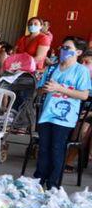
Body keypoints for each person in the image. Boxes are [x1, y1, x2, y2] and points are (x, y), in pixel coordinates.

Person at [34, 37, 90, 188]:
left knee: (57, 148)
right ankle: (38, 180)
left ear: (78, 52)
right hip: (47, 114)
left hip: (65, 118)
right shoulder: (52, 68)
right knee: (43, 148)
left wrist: (59, 88)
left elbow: (84, 95)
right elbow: (39, 90)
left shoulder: (81, 71)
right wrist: (43, 89)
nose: (63, 51)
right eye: (62, 47)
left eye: (67, 48)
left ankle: (53, 184)